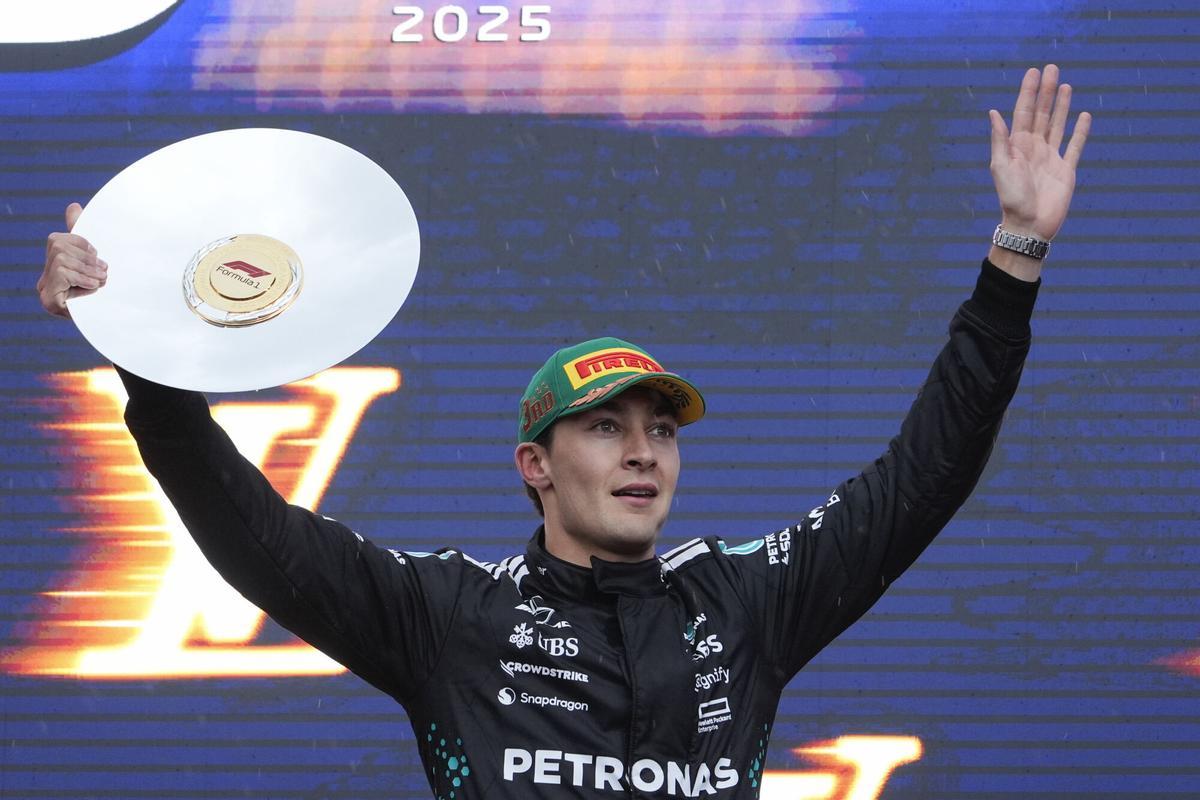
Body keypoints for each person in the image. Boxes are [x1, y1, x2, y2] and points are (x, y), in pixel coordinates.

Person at [38, 66, 1090, 798]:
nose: (644, 450)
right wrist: (141, 344)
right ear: (534, 465)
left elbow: (925, 473)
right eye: (604, 428)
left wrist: (1015, 258)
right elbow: (251, 531)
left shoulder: (747, 598)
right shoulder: (448, 613)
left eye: (661, 431)